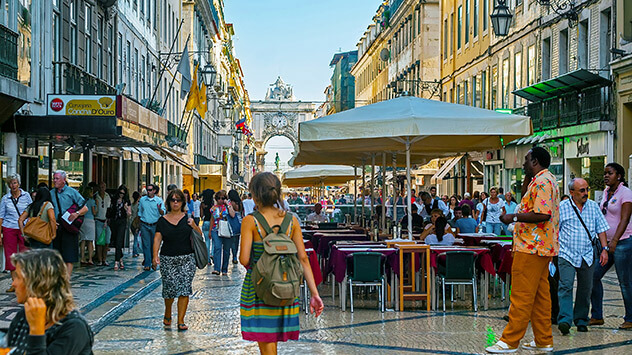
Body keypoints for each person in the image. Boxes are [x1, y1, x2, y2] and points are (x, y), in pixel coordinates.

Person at [239, 172, 323, 354]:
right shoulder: (291, 221)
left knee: (265, 340)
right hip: (285, 287)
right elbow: (303, 258)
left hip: (258, 288)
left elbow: (244, 259)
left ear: (255, 194)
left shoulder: (250, 221)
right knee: (271, 342)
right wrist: (314, 294)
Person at [487, 147, 559, 353]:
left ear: (535, 161)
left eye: (526, 160)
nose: (523, 163)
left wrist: (513, 217)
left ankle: (509, 341)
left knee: (520, 294)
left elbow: (542, 214)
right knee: (540, 296)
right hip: (541, 247)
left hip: (531, 246)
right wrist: (527, 178)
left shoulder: (543, 181)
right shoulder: (546, 179)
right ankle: (544, 339)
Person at [7, 249, 93, 354]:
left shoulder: (73, 327)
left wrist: (36, 331)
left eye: (18, 277)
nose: (13, 284)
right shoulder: (23, 317)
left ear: (38, 283)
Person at [555, 178, 609, 335]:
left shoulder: (593, 206)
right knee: (565, 285)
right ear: (572, 192)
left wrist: (604, 249)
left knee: (586, 288)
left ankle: (581, 319)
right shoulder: (562, 207)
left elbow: (601, 229)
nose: (586, 193)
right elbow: (554, 229)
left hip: (587, 253)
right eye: (582, 190)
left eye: (587, 189)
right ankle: (565, 320)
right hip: (566, 253)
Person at [591, 162, 632, 330]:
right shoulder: (607, 193)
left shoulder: (626, 193)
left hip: (623, 243)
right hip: (605, 245)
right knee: (593, 276)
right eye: (605, 173)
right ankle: (597, 316)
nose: (606, 176)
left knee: (625, 282)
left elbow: (625, 218)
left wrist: (614, 240)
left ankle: (630, 317)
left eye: (610, 173)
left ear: (619, 176)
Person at [152, 189, 200, 332]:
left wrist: (194, 225)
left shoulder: (188, 218)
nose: (175, 202)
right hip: (168, 259)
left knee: (184, 289)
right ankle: (168, 312)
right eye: (173, 200)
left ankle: (181, 320)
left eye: (178, 200)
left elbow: (199, 235)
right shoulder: (162, 220)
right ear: (168, 202)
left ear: (182, 202)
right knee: (169, 289)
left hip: (187, 258)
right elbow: (157, 238)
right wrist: (155, 255)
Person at [50, 171, 88, 277]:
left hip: (69, 227)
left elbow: (85, 208)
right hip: (57, 227)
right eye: (54, 178)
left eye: (57, 179)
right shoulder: (51, 193)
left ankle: (66, 280)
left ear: (63, 180)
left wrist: (77, 214)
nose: (54, 181)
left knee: (69, 255)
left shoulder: (72, 192)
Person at [0, 174, 33, 291]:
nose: (12, 185)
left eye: (14, 183)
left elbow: (31, 211)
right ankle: (15, 282)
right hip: (9, 228)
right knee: (10, 255)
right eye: (10, 183)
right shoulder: (5, 198)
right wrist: (0, 233)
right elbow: (1, 216)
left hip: (24, 228)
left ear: (18, 183)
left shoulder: (26, 196)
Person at [138, 183, 165, 271]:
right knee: (146, 245)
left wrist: (159, 209)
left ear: (154, 191)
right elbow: (140, 211)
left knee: (154, 245)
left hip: (155, 225)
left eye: (150, 190)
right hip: (144, 224)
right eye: (147, 190)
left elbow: (163, 213)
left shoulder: (159, 200)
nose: (149, 192)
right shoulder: (142, 200)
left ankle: (153, 262)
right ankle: (147, 263)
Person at [110, 185, 131, 271]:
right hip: (114, 221)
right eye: (120, 193)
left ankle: (116, 262)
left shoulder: (127, 201)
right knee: (115, 241)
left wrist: (126, 208)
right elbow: (110, 210)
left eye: (123, 193)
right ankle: (121, 259)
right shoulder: (114, 200)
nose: (121, 195)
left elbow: (129, 214)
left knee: (119, 241)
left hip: (122, 221)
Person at [210, 190, 229, 275]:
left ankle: (224, 269)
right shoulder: (213, 208)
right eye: (219, 198)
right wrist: (210, 231)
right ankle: (217, 268)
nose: (220, 200)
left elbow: (232, 216)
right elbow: (212, 219)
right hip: (215, 229)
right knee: (217, 248)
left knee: (226, 250)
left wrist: (227, 204)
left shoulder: (228, 207)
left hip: (226, 230)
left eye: (223, 198)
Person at [94, 181, 111, 267]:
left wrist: (108, 219)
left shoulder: (108, 196)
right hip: (98, 220)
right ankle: (100, 259)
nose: (102, 188)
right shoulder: (95, 196)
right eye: (101, 187)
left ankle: (104, 259)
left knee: (107, 241)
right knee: (99, 241)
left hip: (106, 221)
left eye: (103, 187)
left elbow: (109, 208)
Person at [79, 188, 96, 265]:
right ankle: (90, 259)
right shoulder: (92, 201)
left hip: (83, 220)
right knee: (90, 241)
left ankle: (82, 258)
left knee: (83, 240)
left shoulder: (82, 200)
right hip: (90, 220)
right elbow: (94, 212)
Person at [227, 189, 243, 266]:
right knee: (236, 241)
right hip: (239, 223)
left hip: (232, 223)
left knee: (231, 241)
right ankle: (235, 256)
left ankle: (232, 255)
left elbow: (231, 214)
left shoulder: (230, 203)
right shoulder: (240, 203)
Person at [200, 189, 215, 266]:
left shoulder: (202, 204)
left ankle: (208, 259)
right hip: (213, 223)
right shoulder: (213, 204)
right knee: (214, 241)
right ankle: (212, 253)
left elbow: (201, 215)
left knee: (207, 241)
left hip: (205, 222)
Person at [130, 191, 142, 257]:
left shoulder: (132, 205)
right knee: (136, 238)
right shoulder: (138, 206)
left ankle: (135, 251)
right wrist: (138, 226)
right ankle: (135, 252)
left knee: (135, 237)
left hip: (131, 222)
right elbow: (138, 216)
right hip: (136, 223)